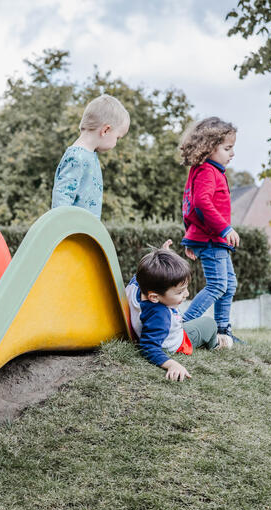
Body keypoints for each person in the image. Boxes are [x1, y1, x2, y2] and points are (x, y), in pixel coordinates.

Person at [126, 241, 232, 381]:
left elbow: (147, 271)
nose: (186, 294)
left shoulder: (136, 284)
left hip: (170, 324)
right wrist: (172, 364)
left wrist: (165, 254)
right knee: (209, 323)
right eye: (180, 292)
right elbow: (149, 347)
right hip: (179, 341)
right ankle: (216, 343)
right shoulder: (159, 315)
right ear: (154, 297)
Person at [178, 116, 241, 342]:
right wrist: (225, 229)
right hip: (213, 239)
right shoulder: (207, 171)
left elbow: (188, 205)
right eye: (227, 148)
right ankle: (182, 328)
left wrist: (190, 239)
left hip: (211, 240)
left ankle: (223, 330)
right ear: (209, 148)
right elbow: (200, 203)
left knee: (229, 284)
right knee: (217, 286)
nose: (232, 153)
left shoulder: (210, 170)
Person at [51, 94, 130, 218]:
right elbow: (62, 198)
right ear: (106, 130)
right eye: (117, 138)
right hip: (73, 233)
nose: (116, 143)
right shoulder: (77, 157)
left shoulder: (90, 156)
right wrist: (65, 230)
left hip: (86, 231)